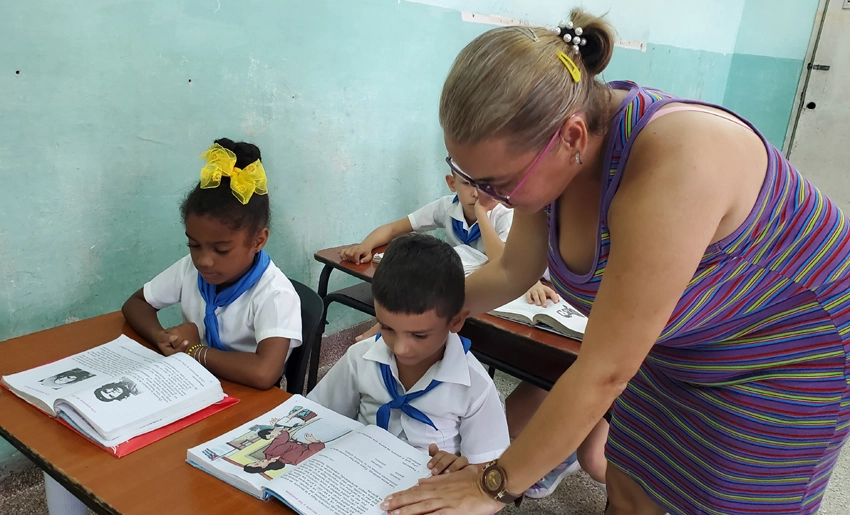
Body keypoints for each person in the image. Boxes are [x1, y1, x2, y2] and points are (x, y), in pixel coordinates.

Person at [381, 9, 850, 515]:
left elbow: (603, 373)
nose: (483, 197)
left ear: (573, 138)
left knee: (722, 500)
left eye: (496, 183)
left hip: (786, 354)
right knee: (630, 481)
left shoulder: (678, 161)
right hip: (677, 343)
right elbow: (514, 268)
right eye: (467, 176)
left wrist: (492, 485)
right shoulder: (548, 156)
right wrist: (420, 321)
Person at [43, 138, 303, 515]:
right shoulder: (190, 270)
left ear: (258, 240)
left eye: (221, 249)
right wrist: (165, 338)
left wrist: (194, 351)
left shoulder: (275, 294)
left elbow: (265, 373)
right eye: (194, 245)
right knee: (76, 443)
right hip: (191, 391)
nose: (204, 260)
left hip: (247, 413)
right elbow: (136, 304)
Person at [309, 233, 511, 474]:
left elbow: (487, 469)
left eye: (419, 335)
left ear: (455, 322)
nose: (400, 348)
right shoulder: (360, 358)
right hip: (355, 476)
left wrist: (463, 473)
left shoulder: (475, 386)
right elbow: (318, 415)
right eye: (386, 328)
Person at [339, 170, 557, 305]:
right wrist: (365, 245)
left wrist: (482, 213)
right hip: (461, 284)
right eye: (468, 183)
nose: (477, 193)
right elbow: (395, 228)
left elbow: (506, 261)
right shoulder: (446, 206)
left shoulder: (504, 213)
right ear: (452, 183)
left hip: (508, 282)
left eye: (485, 186)